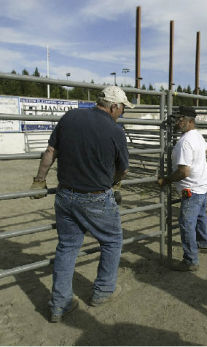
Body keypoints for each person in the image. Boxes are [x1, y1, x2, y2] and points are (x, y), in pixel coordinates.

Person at [30, 85, 134, 322]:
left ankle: (59, 304)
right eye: (123, 110)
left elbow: (49, 151)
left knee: (67, 247)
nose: (122, 114)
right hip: (96, 196)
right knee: (112, 240)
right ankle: (102, 292)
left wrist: (39, 180)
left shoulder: (70, 116)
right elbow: (124, 168)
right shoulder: (114, 130)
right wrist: (116, 183)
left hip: (65, 195)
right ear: (114, 106)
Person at [158, 106, 207, 271]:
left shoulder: (185, 142)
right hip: (202, 184)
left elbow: (184, 171)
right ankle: (203, 243)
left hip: (192, 188)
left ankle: (190, 260)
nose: (177, 122)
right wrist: (198, 161)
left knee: (186, 223)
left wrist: (166, 180)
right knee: (200, 216)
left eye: (180, 119)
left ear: (190, 121)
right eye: (177, 118)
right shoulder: (197, 136)